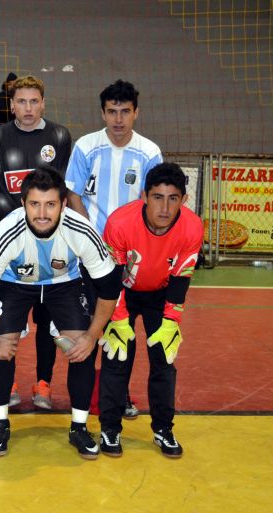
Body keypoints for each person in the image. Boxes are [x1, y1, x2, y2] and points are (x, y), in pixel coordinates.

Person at [0, 166, 122, 458]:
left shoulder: (81, 229)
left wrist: (92, 336)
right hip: (14, 283)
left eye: (50, 204)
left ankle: (79, 427)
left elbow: (109, 288)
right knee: (3, 342)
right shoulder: (7, 231)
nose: (42, 213)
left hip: (63, 283)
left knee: (82, 347)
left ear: (63, 204)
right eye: (34, 204)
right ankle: (0, 423)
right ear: (23, 204)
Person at [65, 79, 163, 419]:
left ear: (136, 113)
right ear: (102, 113)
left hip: (131, 258)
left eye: (124, 111)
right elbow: (73, 194)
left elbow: (153, 202)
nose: (118, 119)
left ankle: (118, 394)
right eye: (111, 112)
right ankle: (90, 396)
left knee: (122, 329)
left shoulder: (149, 153)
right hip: (90, 255)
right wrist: (91, 236)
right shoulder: (86, 147)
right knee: (92, 324)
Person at [98, 162, 203, 459]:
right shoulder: (120, 224)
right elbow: (109, 279)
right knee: (117, 356)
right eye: (158, 197)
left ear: (183, 199)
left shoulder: (193, 227)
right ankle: (110, 427)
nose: (165, 207)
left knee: (165, 359)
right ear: (144, 195)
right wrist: (117, 319)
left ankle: (163, 428)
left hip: (161, 293)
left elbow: (181, 278)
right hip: (123, 292)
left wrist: (172, 321)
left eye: (173, 198)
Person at [0, 75, 73, 411]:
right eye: (21, 101)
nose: (27, 108)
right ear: (11, 105)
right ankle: (6, 384)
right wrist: (24, 233)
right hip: (11, 243)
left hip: (52, 244)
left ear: (43, 103)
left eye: (33, 101)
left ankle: (43, 383)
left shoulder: (59, 136)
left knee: (46, 318)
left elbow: (61, 191)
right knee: (9, 320)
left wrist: (44, 231)